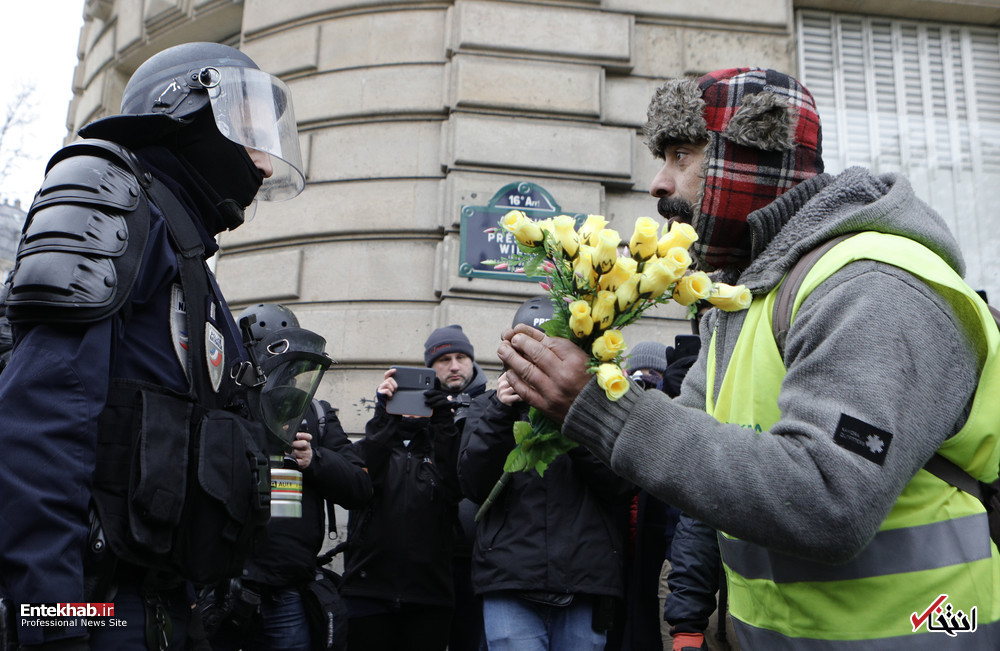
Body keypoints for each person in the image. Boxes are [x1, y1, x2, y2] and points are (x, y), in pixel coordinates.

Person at [497, 67, 1000, 648]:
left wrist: (601, 407)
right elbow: (696, 463)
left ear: (752, 152)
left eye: (681, 154)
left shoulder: (874, 282)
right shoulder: (743, 300)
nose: (658, 183)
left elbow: (828, 501)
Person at [0, 41, 305, 650]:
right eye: (248, 131)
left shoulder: (183, 249)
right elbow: (37, 428)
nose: (265, 166)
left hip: (163, 604)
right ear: (186, 109)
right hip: (98, 605)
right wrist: (54, 627)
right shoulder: (110, 199)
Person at [458, 296, 633, 651]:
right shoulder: (488, 408)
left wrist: (573, 415)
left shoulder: (601, 409)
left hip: (584, 580)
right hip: (509, 579)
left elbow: (621, 485)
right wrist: (499, 412)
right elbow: (472, 484)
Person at [204, 303, 372, 651]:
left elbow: (360, 487)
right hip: (222, 585)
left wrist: (314, 459)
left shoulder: (315, 413)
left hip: (287, 592)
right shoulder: (221, 403)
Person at [341, 325, 487, 651]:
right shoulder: (373, 444)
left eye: (461, 357)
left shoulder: (442, 442)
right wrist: (383, 414)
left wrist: (443, 423)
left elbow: (455, 485)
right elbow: (363, 482)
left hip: (430, 593)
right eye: (444, 359)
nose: (453, 365)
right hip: (369, 591)